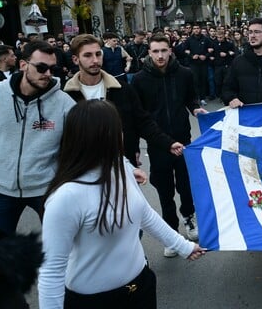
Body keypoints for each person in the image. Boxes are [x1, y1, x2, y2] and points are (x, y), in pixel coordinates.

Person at [38, 100, 206, 308]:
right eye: (117, 130)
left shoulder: (122, 170)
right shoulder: (66, 197)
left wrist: (183, 246)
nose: (123, 136)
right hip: (93, 301)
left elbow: (145, 214)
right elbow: (51, 270)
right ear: (97, 137)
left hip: (140, 287)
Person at [0, 42, 75, 233]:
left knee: (63, 248)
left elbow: (89, 140)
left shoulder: (63, 102)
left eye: (52, 68)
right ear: (23, 65)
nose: (48, 73)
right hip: (2, 189)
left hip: (47, 189)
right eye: (41, 67)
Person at [131, 33, 207, 249]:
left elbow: (191, 97)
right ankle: (171, 232)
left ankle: (189, 218)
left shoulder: (185, 74)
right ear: (149, 53)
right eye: (155, 51)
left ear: (171, 51)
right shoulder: (139, 79)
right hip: (157, 144)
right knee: (164, 190)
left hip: (183, 140)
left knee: (186, 185)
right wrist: (135, 146)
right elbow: (137, 116)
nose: (160, 55)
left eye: (164, 50)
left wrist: (195, 108)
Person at [64, 34, 183, 168]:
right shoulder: (66, 96)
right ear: (75, 59)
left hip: (122, 165)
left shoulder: (122, 89)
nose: (95, 60)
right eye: (88, 55)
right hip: (83, 167)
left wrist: (168, 143)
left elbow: (142, 122)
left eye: (98, 54)